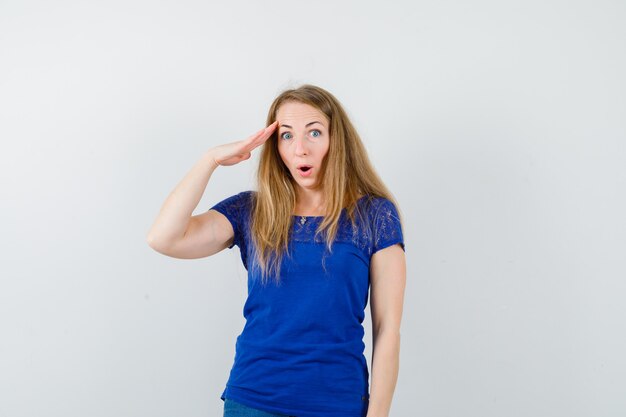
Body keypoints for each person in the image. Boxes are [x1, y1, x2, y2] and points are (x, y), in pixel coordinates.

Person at [147, 84, 406, 417]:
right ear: (275, 147)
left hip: (337, 403)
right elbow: (164, 238)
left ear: (335, 140)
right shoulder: (253, 211)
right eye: (286, 136)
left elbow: (387, 331)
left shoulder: (374, 215)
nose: (300, 149)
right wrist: (209, 160)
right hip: (253, 400)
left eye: (314, 132)